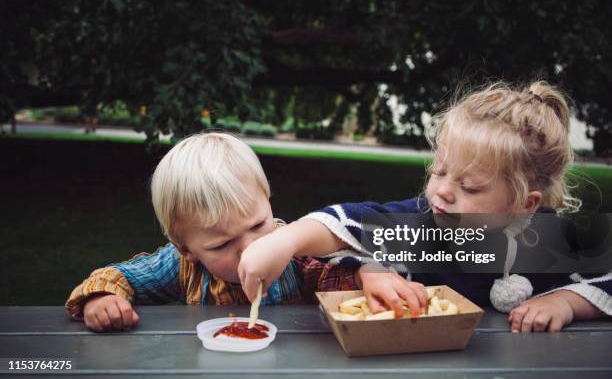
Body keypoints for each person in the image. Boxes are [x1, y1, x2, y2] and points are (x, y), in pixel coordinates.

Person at [239, 81, 611, 332]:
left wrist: (568, 302)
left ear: (522, 204)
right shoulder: (421, 222)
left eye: (469, 186)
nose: (443, 192)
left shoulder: (554, 239)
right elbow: (346, 221)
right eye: (439, 171)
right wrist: (282, 241)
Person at [65, 133, 358, 332]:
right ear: (187, 250)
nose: (251, 248)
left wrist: (365, 273)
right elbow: (118, 277)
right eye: (222, 244)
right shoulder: (181, 267)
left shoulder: (295, 254)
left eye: (257, 225)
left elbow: (343, 275)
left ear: (267, 201)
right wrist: (102, 299)